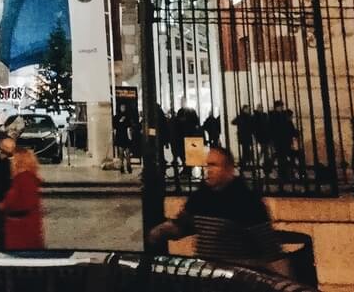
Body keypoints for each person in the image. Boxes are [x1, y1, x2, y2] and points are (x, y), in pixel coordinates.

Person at [148, 146, 286, 273]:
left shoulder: (247, 201)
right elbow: (183, 226)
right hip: (207, 276)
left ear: (229, 169)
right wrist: (162, 230)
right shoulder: (201, 196)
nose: (209, 169)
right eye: (207, 165)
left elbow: (271, 250)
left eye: (214, 165)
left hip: (238, 279)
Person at [0, 147, 45, 250]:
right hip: (29, 225)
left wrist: (3, 205)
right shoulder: (31, 177)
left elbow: (17, 201)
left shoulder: (22, 178)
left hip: (20, 229)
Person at [114, 108, 136, 174]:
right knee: (126, 153)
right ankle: (127, 167)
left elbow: (115, 127)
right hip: (125, 138)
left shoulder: (117, 117)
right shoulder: (127, 118)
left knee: (123, 154)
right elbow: (130, 128)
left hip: (121, 138)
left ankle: (123, 167)